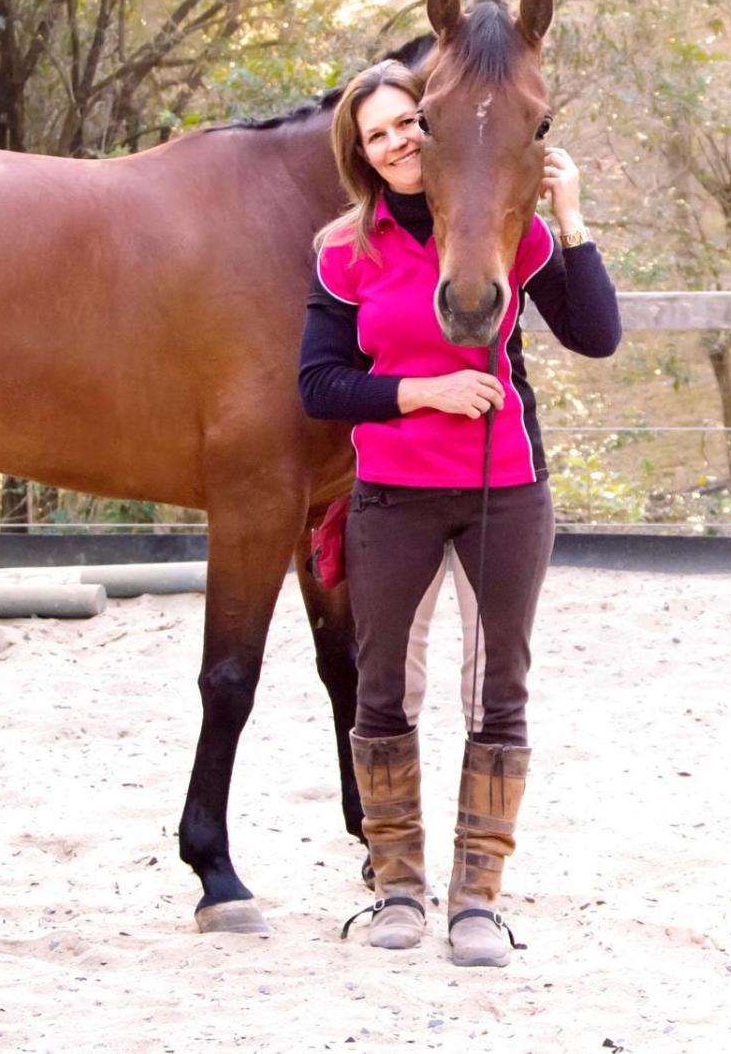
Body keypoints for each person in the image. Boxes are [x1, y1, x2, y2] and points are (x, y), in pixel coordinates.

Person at [298, 59, 621, 966]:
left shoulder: (504, 235)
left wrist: (572, 220)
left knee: (499, 692)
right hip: (392, 495)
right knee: (382, 689)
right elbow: (321, 388)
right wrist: (425, 393)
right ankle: (397, 888)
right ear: (360, 154)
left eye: (411, 124)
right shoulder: (340, 251)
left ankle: (477, 903)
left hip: (504, 492)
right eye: (378, 134)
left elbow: (596, 336)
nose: (399, 141)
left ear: (438, 132)